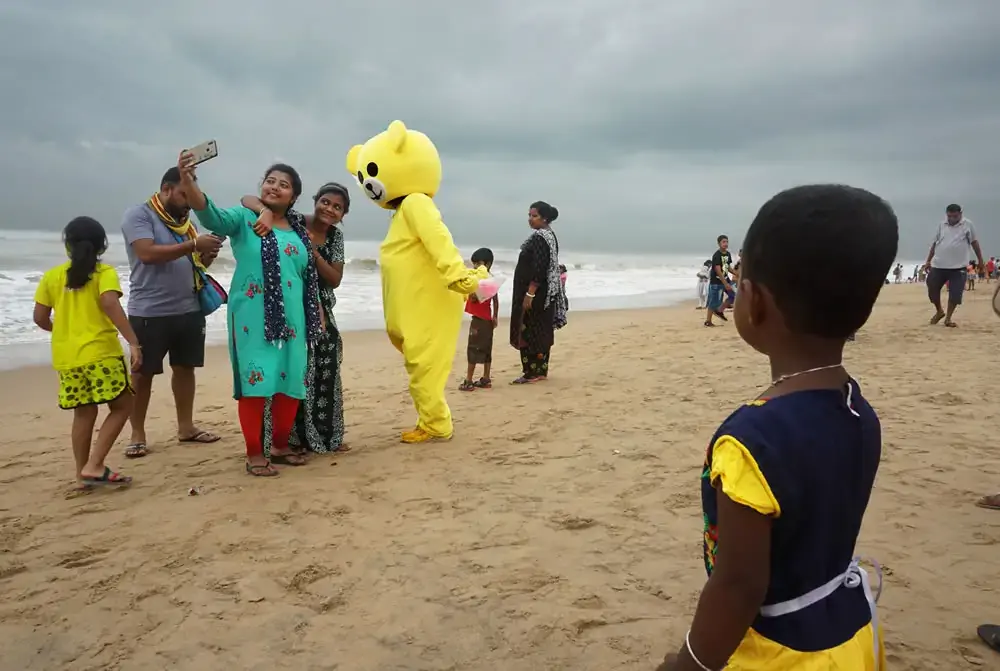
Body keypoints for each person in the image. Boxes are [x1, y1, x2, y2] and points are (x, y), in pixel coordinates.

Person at [656, 184, 898, 671]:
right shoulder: (857, 409)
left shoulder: (749, 440)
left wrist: (687, 665)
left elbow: (739, 587)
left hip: (780, 653)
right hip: (850, 635)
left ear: (753, 302)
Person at [178, 152, 323, 476]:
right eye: (270, 181)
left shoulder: (299, 230)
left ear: (294, 196)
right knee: (256, 382)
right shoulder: (244, 218)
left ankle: (280, 446)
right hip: (251, 318)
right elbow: (211, 216)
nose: (274, 187)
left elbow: (303, 276)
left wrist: (317, 314)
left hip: (294, 319)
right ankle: (254, 453)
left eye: (283, 185)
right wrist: (189, 181)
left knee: (290, 380)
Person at [120, 167, 224, 458]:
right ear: (166, 189)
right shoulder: (139, 215)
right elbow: (146, 253)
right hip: (149, 310)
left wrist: (204, 256)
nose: (188, 200)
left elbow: (191, 266)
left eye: (191, 195)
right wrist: (193, 244)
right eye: (183, 193)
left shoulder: (186, 224)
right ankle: (137, 433)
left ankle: (186, 427)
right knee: (142, 373)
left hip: (188, 308)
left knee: (185, 367)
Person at [33, 217, 143, 487]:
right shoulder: (104, 273)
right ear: (101, 246)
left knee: (83, 413)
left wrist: (62, 332)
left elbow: (40, 317)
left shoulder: (52, 276)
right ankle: (94, 465)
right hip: (101, 353)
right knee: (123, 405)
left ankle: (81, 474)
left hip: (67, 358)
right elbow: (109, 302)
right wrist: (133, 341)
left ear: (68, 245)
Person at [242, 182, 350, 454]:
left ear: (343, 215)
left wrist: (312, 253)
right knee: (289, 373)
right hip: (289, 307)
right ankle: (285, 440)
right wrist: (264, 210)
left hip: (323, 311)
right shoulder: (294, 221)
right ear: (315, 200)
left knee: (325, 373)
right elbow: (246, 199)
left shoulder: (335, 238)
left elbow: (335, 279)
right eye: (326, 202)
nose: (330, 209)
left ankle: (324, 438)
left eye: (338, 207)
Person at [510, 201, 567, 384]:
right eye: (529, 215)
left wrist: (530, 293)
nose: (530, 219)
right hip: (541, 293)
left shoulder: (541, 238)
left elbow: (540, 267)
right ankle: (539, 371)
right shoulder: (547, 236)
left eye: (534, 216)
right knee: (540, 329)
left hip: (536, 294)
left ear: (545, 218)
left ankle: (532, 373)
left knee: (530, 329)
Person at [924, 204, 984, 328]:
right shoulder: (942, 225)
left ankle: (948, 318)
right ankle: (939, 311)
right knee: (932, 288)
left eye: (954, 216)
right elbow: (934, 244)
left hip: (958, 267)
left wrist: (980, 260)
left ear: (960, 214)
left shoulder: (968, 225)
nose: (951, 219)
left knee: (955, 294)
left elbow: (974, 242)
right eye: (949, 216)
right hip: (939, 265)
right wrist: (928, 261)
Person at [459, 248, 499, 391]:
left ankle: (469, 380)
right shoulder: (492, 280)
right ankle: (486, 378)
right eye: (474, 264)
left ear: (487, 264)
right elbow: (495, 300)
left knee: (473, 349)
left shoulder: (480, 281)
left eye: (478, 264)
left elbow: (475, 298)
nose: (475, 267)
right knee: (486, 349)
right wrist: (495, 316)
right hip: (487, 319)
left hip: (478, 321)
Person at [704, 235, 734, 327]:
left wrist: (738, 274)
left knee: (733, 296)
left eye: (727, 242)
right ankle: (708, 321)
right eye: (723, 242)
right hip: (717, 282)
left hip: (725, 279)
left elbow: (727, 267)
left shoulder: (728, 254)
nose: (725, 244)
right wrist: (725, 283)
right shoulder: (717, 255)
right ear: (719, 244)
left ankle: (719, 311)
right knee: (714, 302)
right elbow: (718, 270)